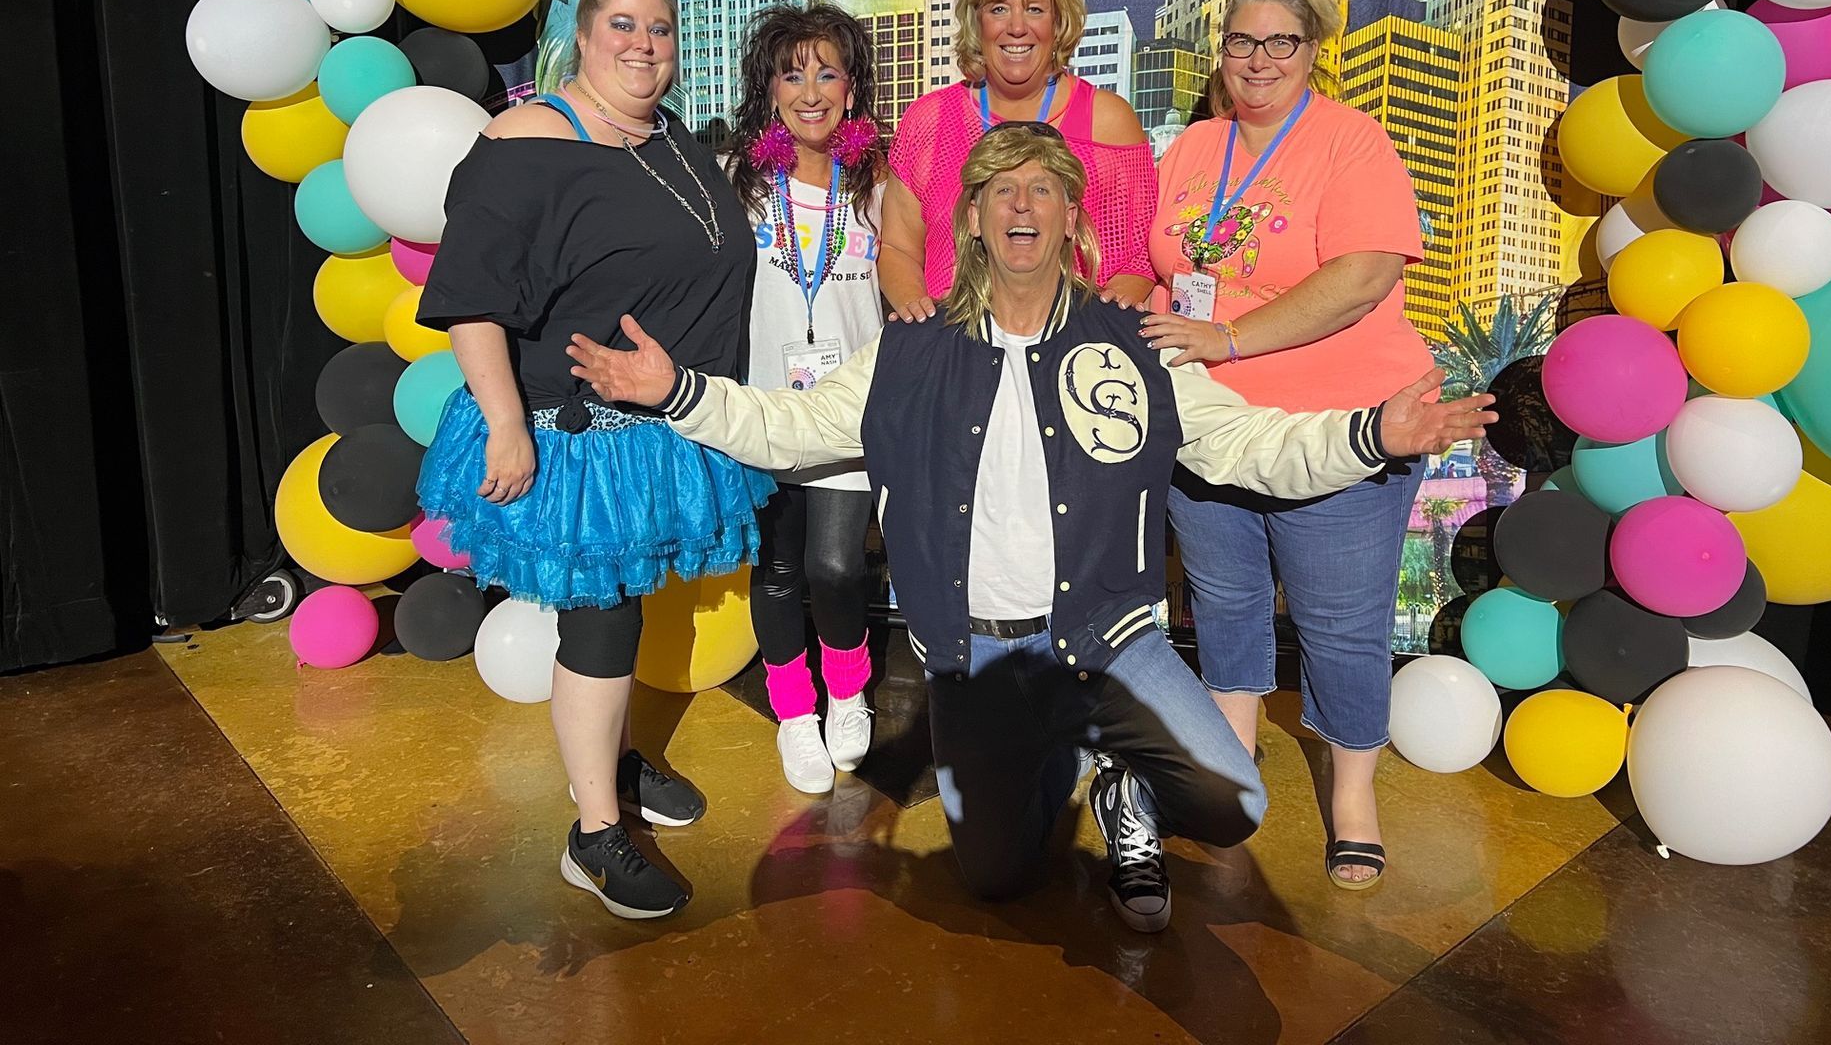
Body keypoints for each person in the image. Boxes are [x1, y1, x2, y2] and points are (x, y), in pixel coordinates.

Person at [566, 125, 1493, 933]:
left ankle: (1126, 782)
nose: (1020, 206)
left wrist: (1375, 432)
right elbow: (789, 426)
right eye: (1000, 190)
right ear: (970, 219)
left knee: (1230, 799)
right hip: (976, 656)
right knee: (1000, 878)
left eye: (1042, 189)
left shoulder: (1133, 342)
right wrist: (674, 392)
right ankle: (1049, 753)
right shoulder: (910, 348)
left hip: (1110, 638)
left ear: (1072, 222)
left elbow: (1254, 446)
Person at [415, 0, 771, 922]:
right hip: (572, 437)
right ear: (583, 34)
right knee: (604, 623)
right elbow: (472, 297)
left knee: (631, 605)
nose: (644, 44)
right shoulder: (527, 139)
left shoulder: (664, 138)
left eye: (660, 28)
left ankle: (612, 758)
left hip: (657, 427)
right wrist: (502, 425)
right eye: (623, 24)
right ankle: (595, 835)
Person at [1141, 0, 1434, 891]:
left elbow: (1363, 278)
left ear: (1314, 50)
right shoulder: (1191, 149)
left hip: (1339, 424)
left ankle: (1352, 797)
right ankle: (1233, 763)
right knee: (1222, 602)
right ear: (1219, 50)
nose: (1258, 60)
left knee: (1339, 624)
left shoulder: (1354, 143)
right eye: (1241, 42)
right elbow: (1153, 264)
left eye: (1282, 42)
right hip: (1208, 423)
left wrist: (1226, 335)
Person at [722, 3, 887, 793]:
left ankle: (849, 691)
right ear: (771, 88)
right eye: (794, 73)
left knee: (835, 567)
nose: (811, 90)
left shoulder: (878, 188)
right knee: (780, 569)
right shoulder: (740, 184)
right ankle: (794, 712)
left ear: (851, 89)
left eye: (827, 72)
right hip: (762, 409)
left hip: (850, 412)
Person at [881, 0, 1157, 317]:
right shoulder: (928, 121)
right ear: (977, 20)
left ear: (1057, 21)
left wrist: (1084, 336)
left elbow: (1137, 261)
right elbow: (897, 249)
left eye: (1034, 9)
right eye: (998, 8)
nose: (1016, 27)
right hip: (956, 348)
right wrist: (924, 325)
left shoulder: (1108, 122)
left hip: (1069, 357)